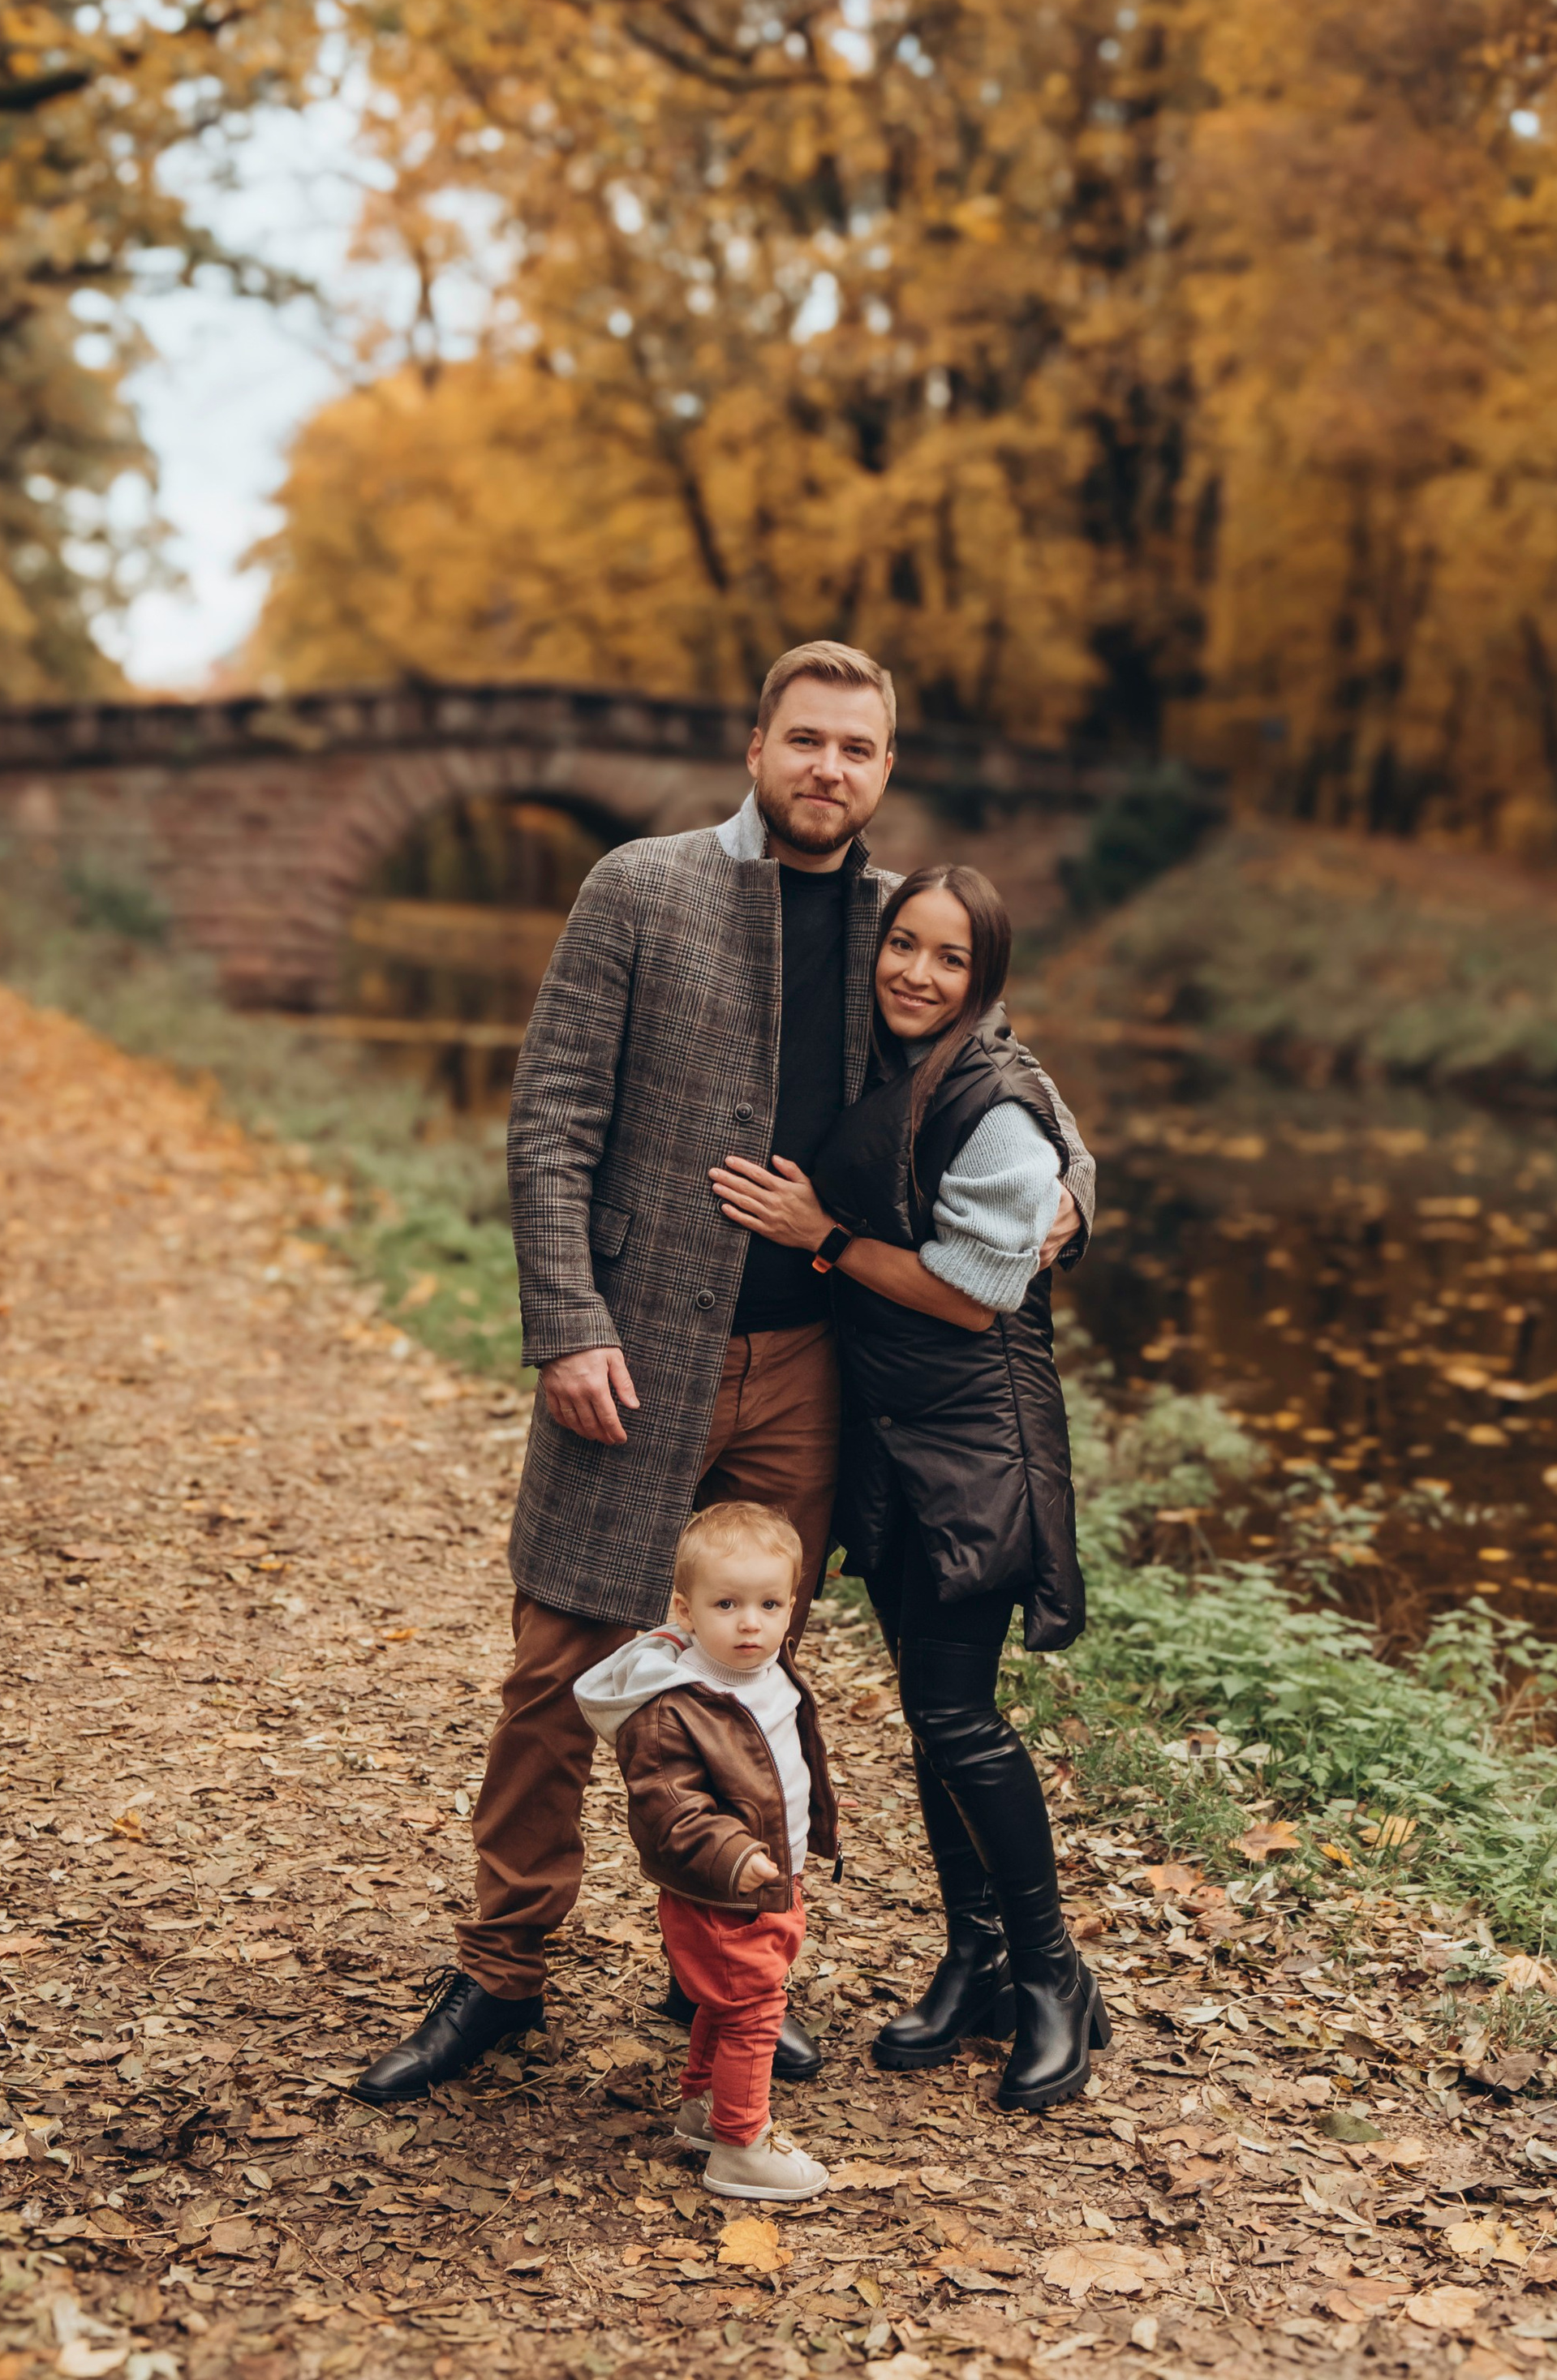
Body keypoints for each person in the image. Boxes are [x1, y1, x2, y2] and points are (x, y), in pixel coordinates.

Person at [354, 642, 1094, 2104]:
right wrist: (568, 1323)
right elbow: (551, 1114)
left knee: (756, 1681)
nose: (831, 768)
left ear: (884, 771)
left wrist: (1078, 1191)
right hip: (634, 1355)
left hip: (807, 1369)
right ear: (756, 746)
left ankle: (737, 1975)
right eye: (806, 739)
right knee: (558, 1673)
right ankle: (502, 1972)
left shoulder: (902, 925)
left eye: (859, 750)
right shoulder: (641, 884)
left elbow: (1030, 1093)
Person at [709, 862, 1105, 2116]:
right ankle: (978, 1957)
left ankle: (1055, 1977)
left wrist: (819, 1238)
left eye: (950, 959)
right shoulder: (893, 1063)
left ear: (984, 981)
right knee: (943, 1712)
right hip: (896, 1433)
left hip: (975, 1439)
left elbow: (976, 1290)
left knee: (957, 1717)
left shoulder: (993, 1096)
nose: (917, 973)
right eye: (904, 946)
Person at [575, 1501, 836, 2202]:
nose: (751, 1622)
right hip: (724, 1886)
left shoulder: (767, 1669)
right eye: (727, 1604)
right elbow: (670, 1806)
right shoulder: (672, 1703)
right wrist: (734, 1855)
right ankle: (742, 2144)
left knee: (724, 2004)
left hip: (771, 1878)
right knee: (755, 2008)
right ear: (686, 1613)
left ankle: (702, 2106)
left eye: (770, 1603)